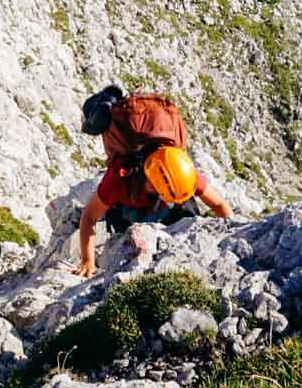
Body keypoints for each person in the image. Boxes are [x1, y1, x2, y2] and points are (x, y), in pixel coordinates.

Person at [75, 85, 232, 277]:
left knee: (186, 211)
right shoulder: (120, 179)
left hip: (170, 209)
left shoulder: (182, 172)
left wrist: (230, 238)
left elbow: (219, 204)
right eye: (157, 191)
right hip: (130, 210)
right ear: (148, 177)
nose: (159, 195)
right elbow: (89, 217)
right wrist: (88, 261)